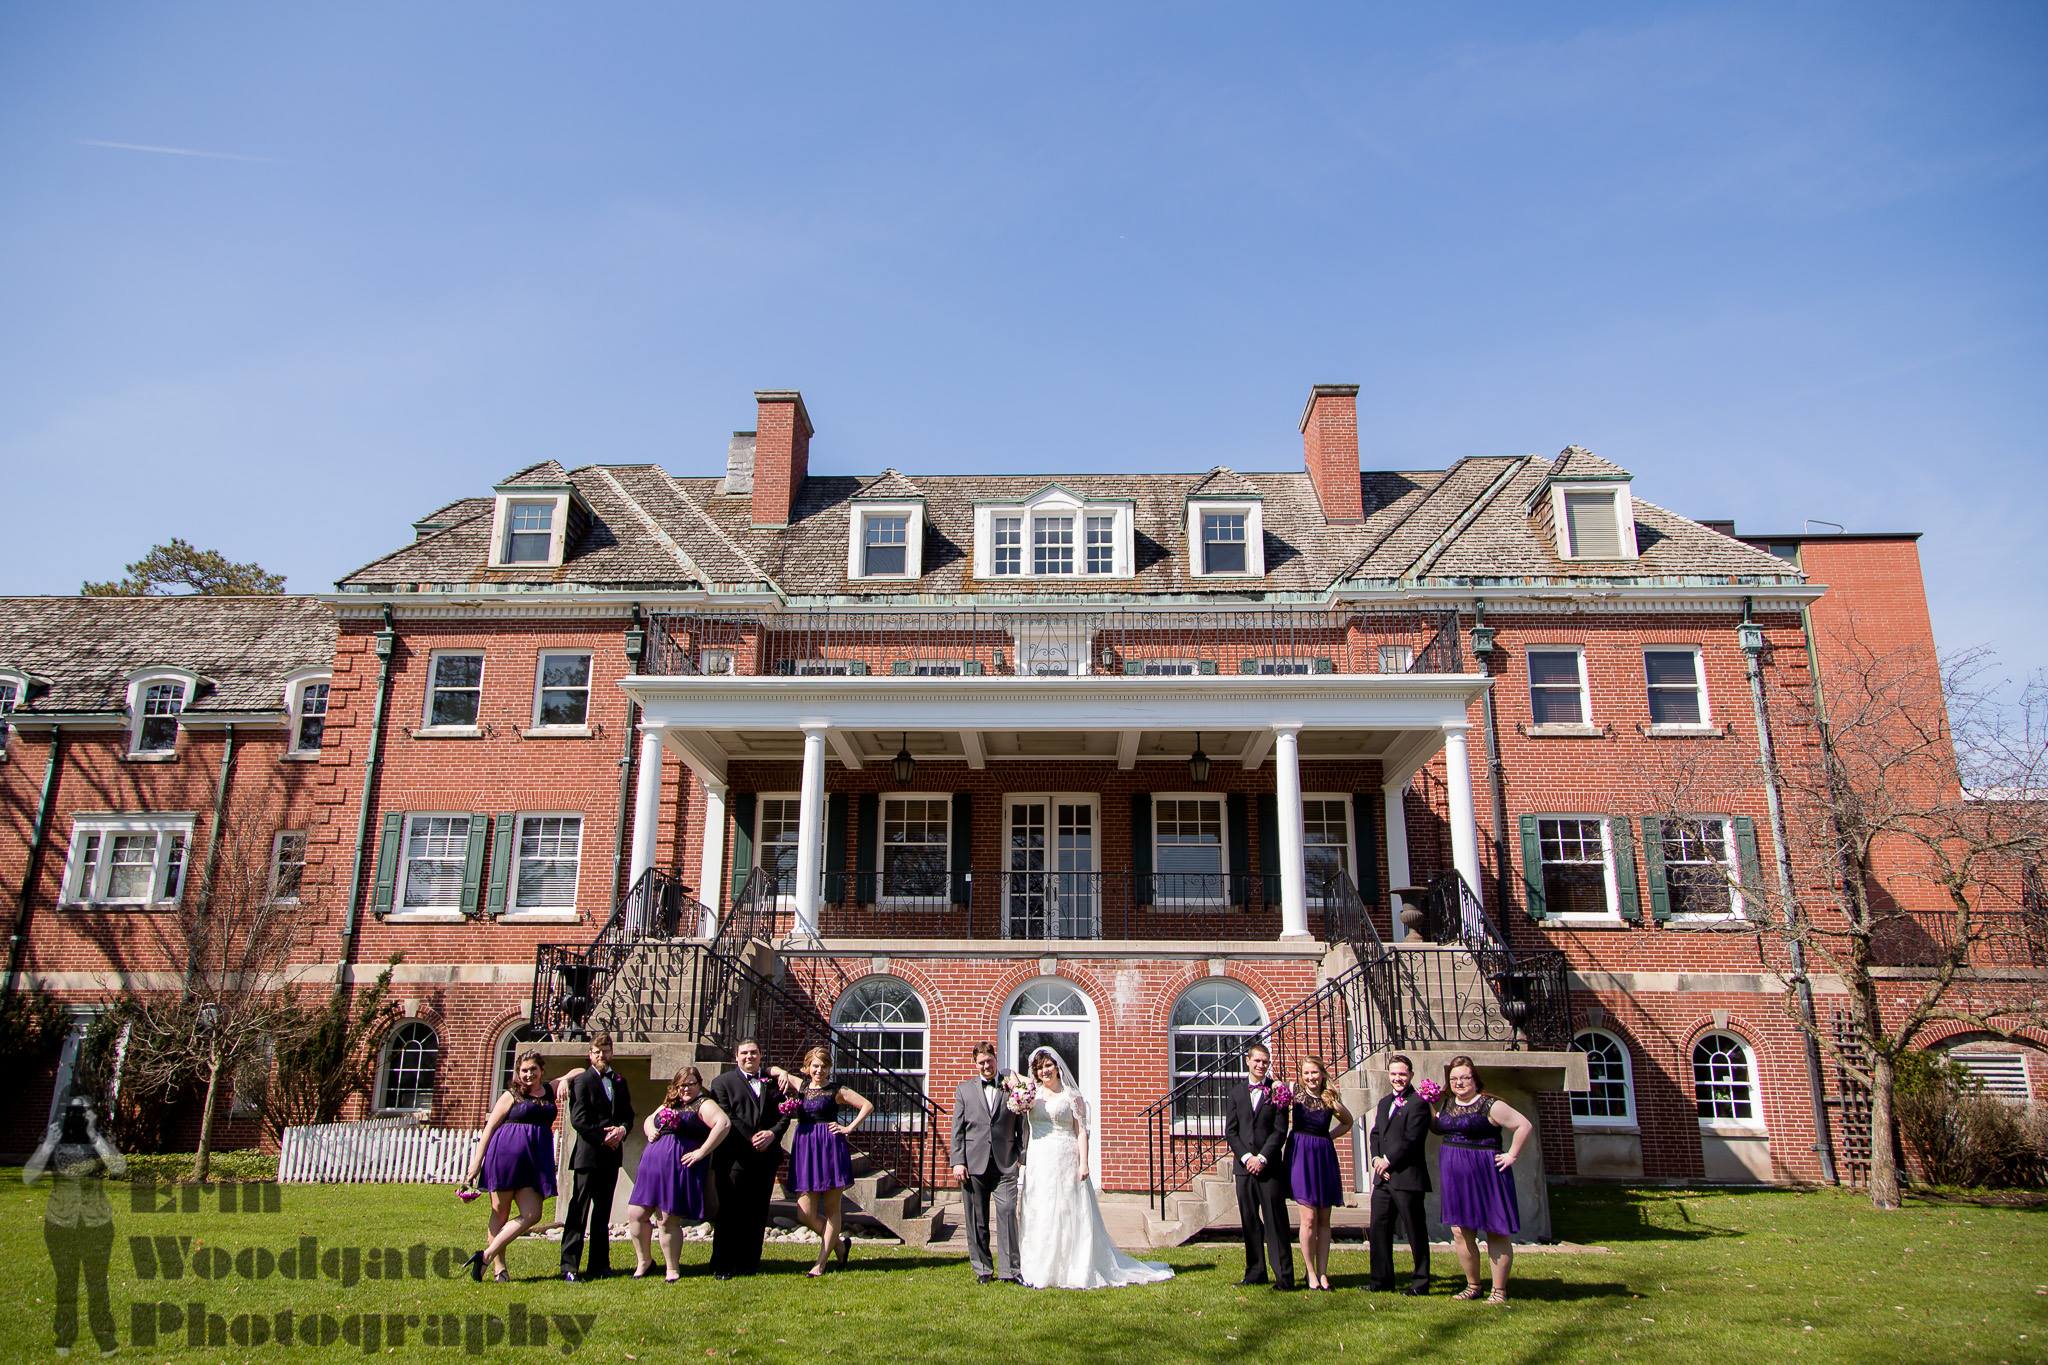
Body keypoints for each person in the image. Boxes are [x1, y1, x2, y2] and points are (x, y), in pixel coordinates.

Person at [1015, 1046, 1172, 1289]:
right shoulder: (1031, 1094)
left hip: (1065, 1158)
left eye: (1048, 1065)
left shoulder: (1072, 1096)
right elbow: (1008, 1075)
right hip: (1039, 1160)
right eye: (1039, 1068)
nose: (1044, 1071)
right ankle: (1037, 1268)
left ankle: (1072, 1267)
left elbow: (1080, 1132)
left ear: (1057, 1067)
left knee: (1066, 1211)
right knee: (1040, 1210)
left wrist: (1084, 1163)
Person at [26, 1095, 123, 1356]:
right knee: (66, 1283)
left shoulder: (100, 1137)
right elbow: (29, 1176)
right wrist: (48, 1143)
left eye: (83, 1111)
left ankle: (106, 1340)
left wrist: (94, 1135)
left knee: (97, 1284)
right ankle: (64, 1338)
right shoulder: (54, 1136)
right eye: (73, 1111)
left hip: (96, 1223)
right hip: (60, 1221)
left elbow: (118, 1168)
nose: (77, 1117)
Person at [1432, 1054, 1533, 1305]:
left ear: (1475, 1079)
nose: (1459, 1083)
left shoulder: (1490, 1104)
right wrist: (1426, 1102)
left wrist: (1512, 1155)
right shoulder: (1447, 1104)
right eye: (1454, 1079)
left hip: (1486, 1172)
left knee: (1495, 1230)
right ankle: (1473, 1285)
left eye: (1465, 1077)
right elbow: (1438, 1125)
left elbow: (1523, 1125)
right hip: (1455, 1174)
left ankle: (1498, 1290)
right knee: (1460, 1230)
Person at [771, 1044, 876, 1277]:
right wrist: (784, 1073)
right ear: (807, 1067)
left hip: (830, 1148)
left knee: (831, 1209)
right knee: (804, 1213)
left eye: (824, 1066)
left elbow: (867, 1105)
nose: (819, 1070)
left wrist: (848, 1128)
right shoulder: (802, 1085)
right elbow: (772, 1070)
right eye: (815, 1066)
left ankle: (820, 1262)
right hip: (806, 1150)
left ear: (829, 1068)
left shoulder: (836, 1090)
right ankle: (839, 1245)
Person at [464, 1048, 564, 1283]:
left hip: (534, 1161)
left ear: (542, 1070)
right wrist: (476, 1163)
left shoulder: (550, 1090)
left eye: (533, 1069)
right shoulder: (511, 1095)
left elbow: (579, 1070)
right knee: (500, 1212)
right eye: (524, 1071)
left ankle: (485, 1255)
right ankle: (499, 1268)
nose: (528, 1075)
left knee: (533, 1214)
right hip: (505, 1157)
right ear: (518, 1073)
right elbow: (489, 1128)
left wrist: (567, 1081)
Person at [625, 1065, 731, 1282]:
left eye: (691, 1084)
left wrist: (702, 1151)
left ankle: (672, 1268)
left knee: (666, 1219)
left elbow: (723, 1123)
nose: (686, 1089)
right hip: (651, 1169)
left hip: (676, 1170)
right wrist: (650, 1130)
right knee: (635, 1214)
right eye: (681, 1085)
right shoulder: (671, 1102)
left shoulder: (703, 1103)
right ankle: (644, 1261)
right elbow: (649, 1119)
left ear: (699, 1084)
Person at [706, 1038, 794, 1279]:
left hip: (766, 1158)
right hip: (733, 1159)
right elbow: (727, 1115)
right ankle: (723, 1264)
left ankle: (749, 1262)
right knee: (729, 1212)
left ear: (760, 1055)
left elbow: (785, 1113)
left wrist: (772, 1134)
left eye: (754, 1052)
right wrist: (753, 1137)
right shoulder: (722, 1083)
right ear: (736, 1056)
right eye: (744, 1053)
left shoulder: (774, 1082)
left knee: (757, 1211)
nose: (749, 1057)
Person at [949, 1041, 1026, 1285]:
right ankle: (983, 1268)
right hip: (973, 1164)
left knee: (1007, 1213)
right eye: (981, 1063)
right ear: (975, 1064)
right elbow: (957, 1129)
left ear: (996, 1058)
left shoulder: (1011, 1086)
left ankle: (1009, 1270)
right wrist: (958, 1161)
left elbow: (1022, 1124)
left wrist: (1021, 1156)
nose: (986, 1066)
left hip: (1005, 1163)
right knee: (977, 1219)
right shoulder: (964, 1090)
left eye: (989, 1061)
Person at [561, 1033, 635, 1281]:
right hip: (588, 1155)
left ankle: (600, 1265)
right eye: (597, 1051)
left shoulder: (620, 1081)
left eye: (606, 1051)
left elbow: (628, 1115)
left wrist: (621, 1130)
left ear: (612, 1053)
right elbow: (579, 1119)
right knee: (579, 1210)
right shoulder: (582, 1081)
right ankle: (570, 1266)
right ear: (590, 1054)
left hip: (611, 1157)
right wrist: (604, 1138)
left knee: (603, 1212)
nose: (602, 1055)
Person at [1221, 1042, 1294, 1290]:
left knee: (1275, 1222)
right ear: (1248, 1061)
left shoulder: (1277, 1091)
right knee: (1249, 1221)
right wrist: (1246, 1158)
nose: (1261, 1065)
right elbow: (1231, 1132)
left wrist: (1261, 1158)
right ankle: (1255, 1272)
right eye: (1257, 1060)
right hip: (1244, 1169)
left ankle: (1284, 1276)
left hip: (1269, 1167)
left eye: (1265, 1061)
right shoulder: (1236, 1093)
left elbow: (1280, 1130)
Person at [1366, 1053, 1433, 1295]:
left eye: (1402, 1074)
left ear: (1411, 1075)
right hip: (1383, 1178)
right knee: (1379, 1228)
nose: (1397, 1078)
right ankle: (1381, 1280)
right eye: (1394, 1074)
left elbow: (1412, 1139)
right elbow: (1376, 1134)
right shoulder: (1385, 1102)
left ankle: (1421, 1282)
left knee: (1415, 1230)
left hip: (1406, 1177)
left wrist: (1388, 1161)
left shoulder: (1419, 1103)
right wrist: (1376, 1159)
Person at [1287, 1056, 1352, 1292]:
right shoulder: (1295, 1093)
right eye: (1306, 1073)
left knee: (1324, 1219)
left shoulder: (1329, 1098)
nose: (1310, 1077)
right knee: (1309, 1218)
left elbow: (1347, 1122)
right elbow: (1275, 1093)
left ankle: (1323, 1273)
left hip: (1323, 1156)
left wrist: (1329, 1137)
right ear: (1301, 1076)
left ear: (1322, 1074)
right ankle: (1310, 1272)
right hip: (1300, 1155)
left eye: (1314, 1072)